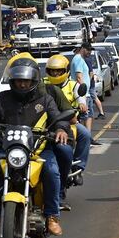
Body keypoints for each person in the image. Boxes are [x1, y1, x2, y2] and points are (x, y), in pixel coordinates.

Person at [0, 56, 69, 235]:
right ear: (13, 80)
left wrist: (61, 129)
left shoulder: (45, 100)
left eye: (26, 81)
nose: (22, 85)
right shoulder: (1, 99)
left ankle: (52, 215)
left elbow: (57, 117)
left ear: (34, 80)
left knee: (52, 171)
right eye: (19, 81)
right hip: (8, 150)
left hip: (39, 149)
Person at [44, 55, 91, 191]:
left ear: (66, 71)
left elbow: (81, 98)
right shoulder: (43, 84)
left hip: (69, 121)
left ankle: (77, 167)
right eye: (52, 71)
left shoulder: (73, 85)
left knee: (85, 135)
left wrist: (82, 105)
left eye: (58, 71)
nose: (55, 73)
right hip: (45, 122)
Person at [71, 43, 98, 141]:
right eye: (88, 50)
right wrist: (83, 91)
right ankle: (84, 138)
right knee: (84, 116)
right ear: (82, 49)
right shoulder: (78, 59)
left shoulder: (81, 59)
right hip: (82, 94)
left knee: (89, 115)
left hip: (86, 93)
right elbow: (79, 77)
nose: (90, 52)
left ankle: (88, 137)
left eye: (90, 50)